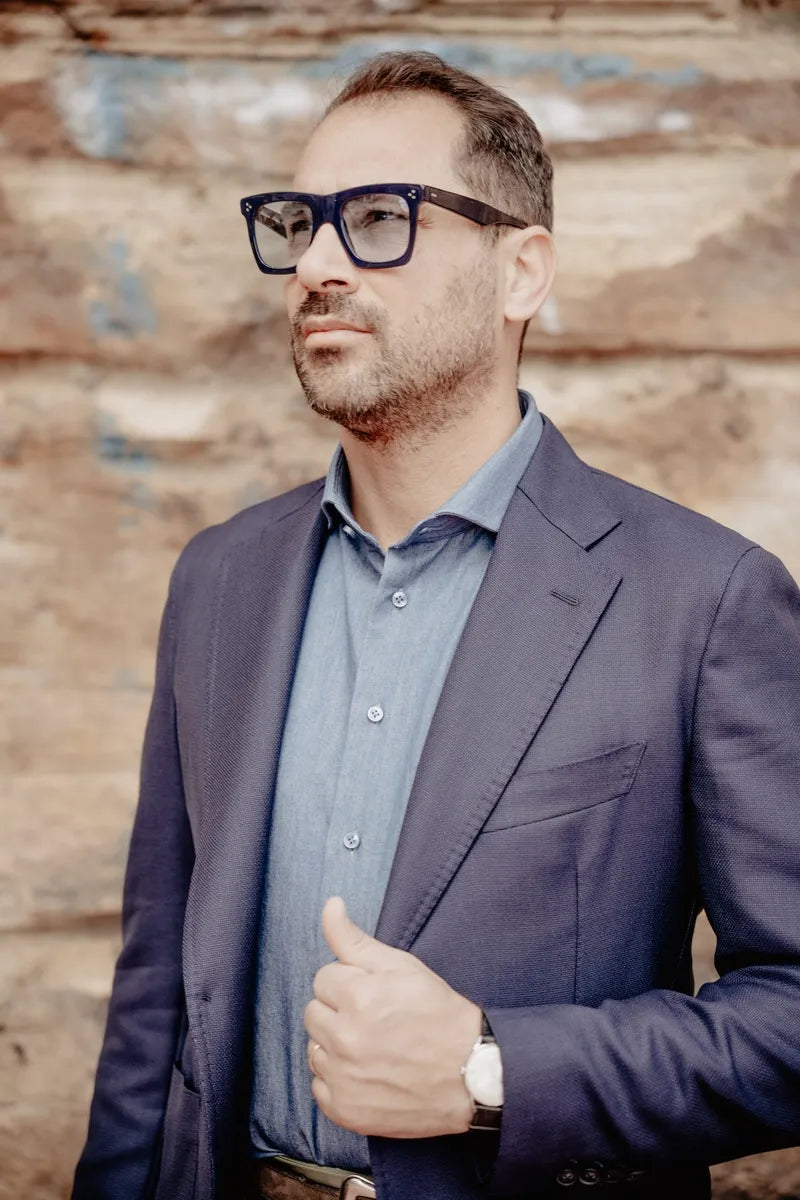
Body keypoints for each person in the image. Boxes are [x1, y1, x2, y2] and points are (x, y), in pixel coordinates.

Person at [72, 50, 800, 1200]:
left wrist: (488, 1070)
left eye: (377, 218)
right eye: (299, 223)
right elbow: (158, 988)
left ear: (521, 272)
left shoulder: (702, 599)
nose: (316, 264)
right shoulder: (218, 580)